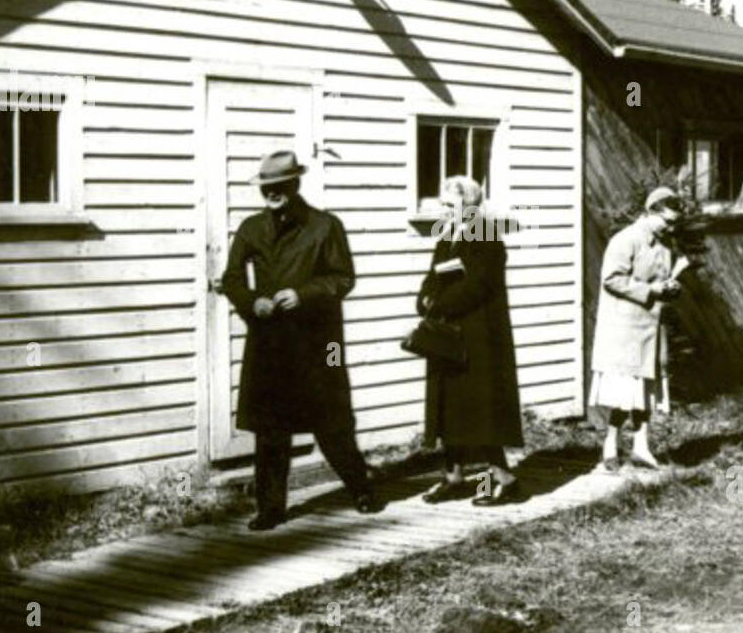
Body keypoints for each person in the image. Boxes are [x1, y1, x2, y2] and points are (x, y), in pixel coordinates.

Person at [221, 150, 380, 530]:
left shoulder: (325, 226)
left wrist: (303, 295)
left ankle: (362, 489)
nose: (271, 194)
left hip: (322, 344)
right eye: (265, 188)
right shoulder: (251, 228)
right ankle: (271, 508)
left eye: (278, 186)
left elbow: (343, 278)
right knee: (270, 430)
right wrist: (250, 301)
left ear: (295, 184)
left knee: (333, 422)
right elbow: (231, 279)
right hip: (270, 343)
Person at [416, 176, 526, 507]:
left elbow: (477, 285)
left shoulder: (486, 237)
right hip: (448, 334)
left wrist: (440, 304)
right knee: (449, 405)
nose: (444, 211)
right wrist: (423, 298)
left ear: (471, 206)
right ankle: (454, 476)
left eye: (451, 205)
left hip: (479, 337)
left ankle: (505, 479)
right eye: (443, 205)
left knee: (480, 409)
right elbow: (434, 275)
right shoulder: (448, 236)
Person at [589, 186, 685, 472]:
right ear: (650, 212)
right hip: (625, 326)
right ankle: (610, 443)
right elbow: (612, 280)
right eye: (666, 221)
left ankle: (641, 446)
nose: (670, 227)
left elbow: (662, 279)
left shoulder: (665, 244)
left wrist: (671, 288)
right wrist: (652, 290)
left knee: (646, 387)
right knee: (624, 389)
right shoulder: (625, 240)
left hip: (651, 325)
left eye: (674, 223)